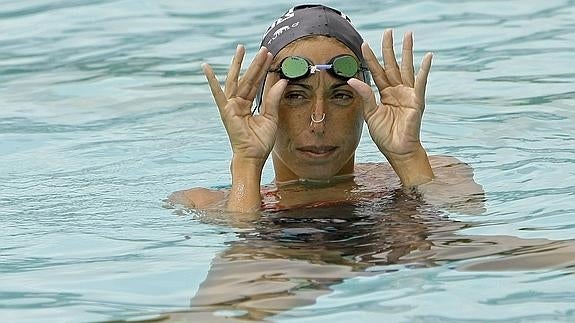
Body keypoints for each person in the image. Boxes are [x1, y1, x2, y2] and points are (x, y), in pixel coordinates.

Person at [170, 4, 483, 215]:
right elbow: (241, 262)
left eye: (341, 97)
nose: (318, 122)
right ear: (261, 105)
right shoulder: (200, 203)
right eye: (295, 97)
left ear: (367, 106)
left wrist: (408, 157)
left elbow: (461, 225)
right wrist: (246, 164)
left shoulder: (441, 172)